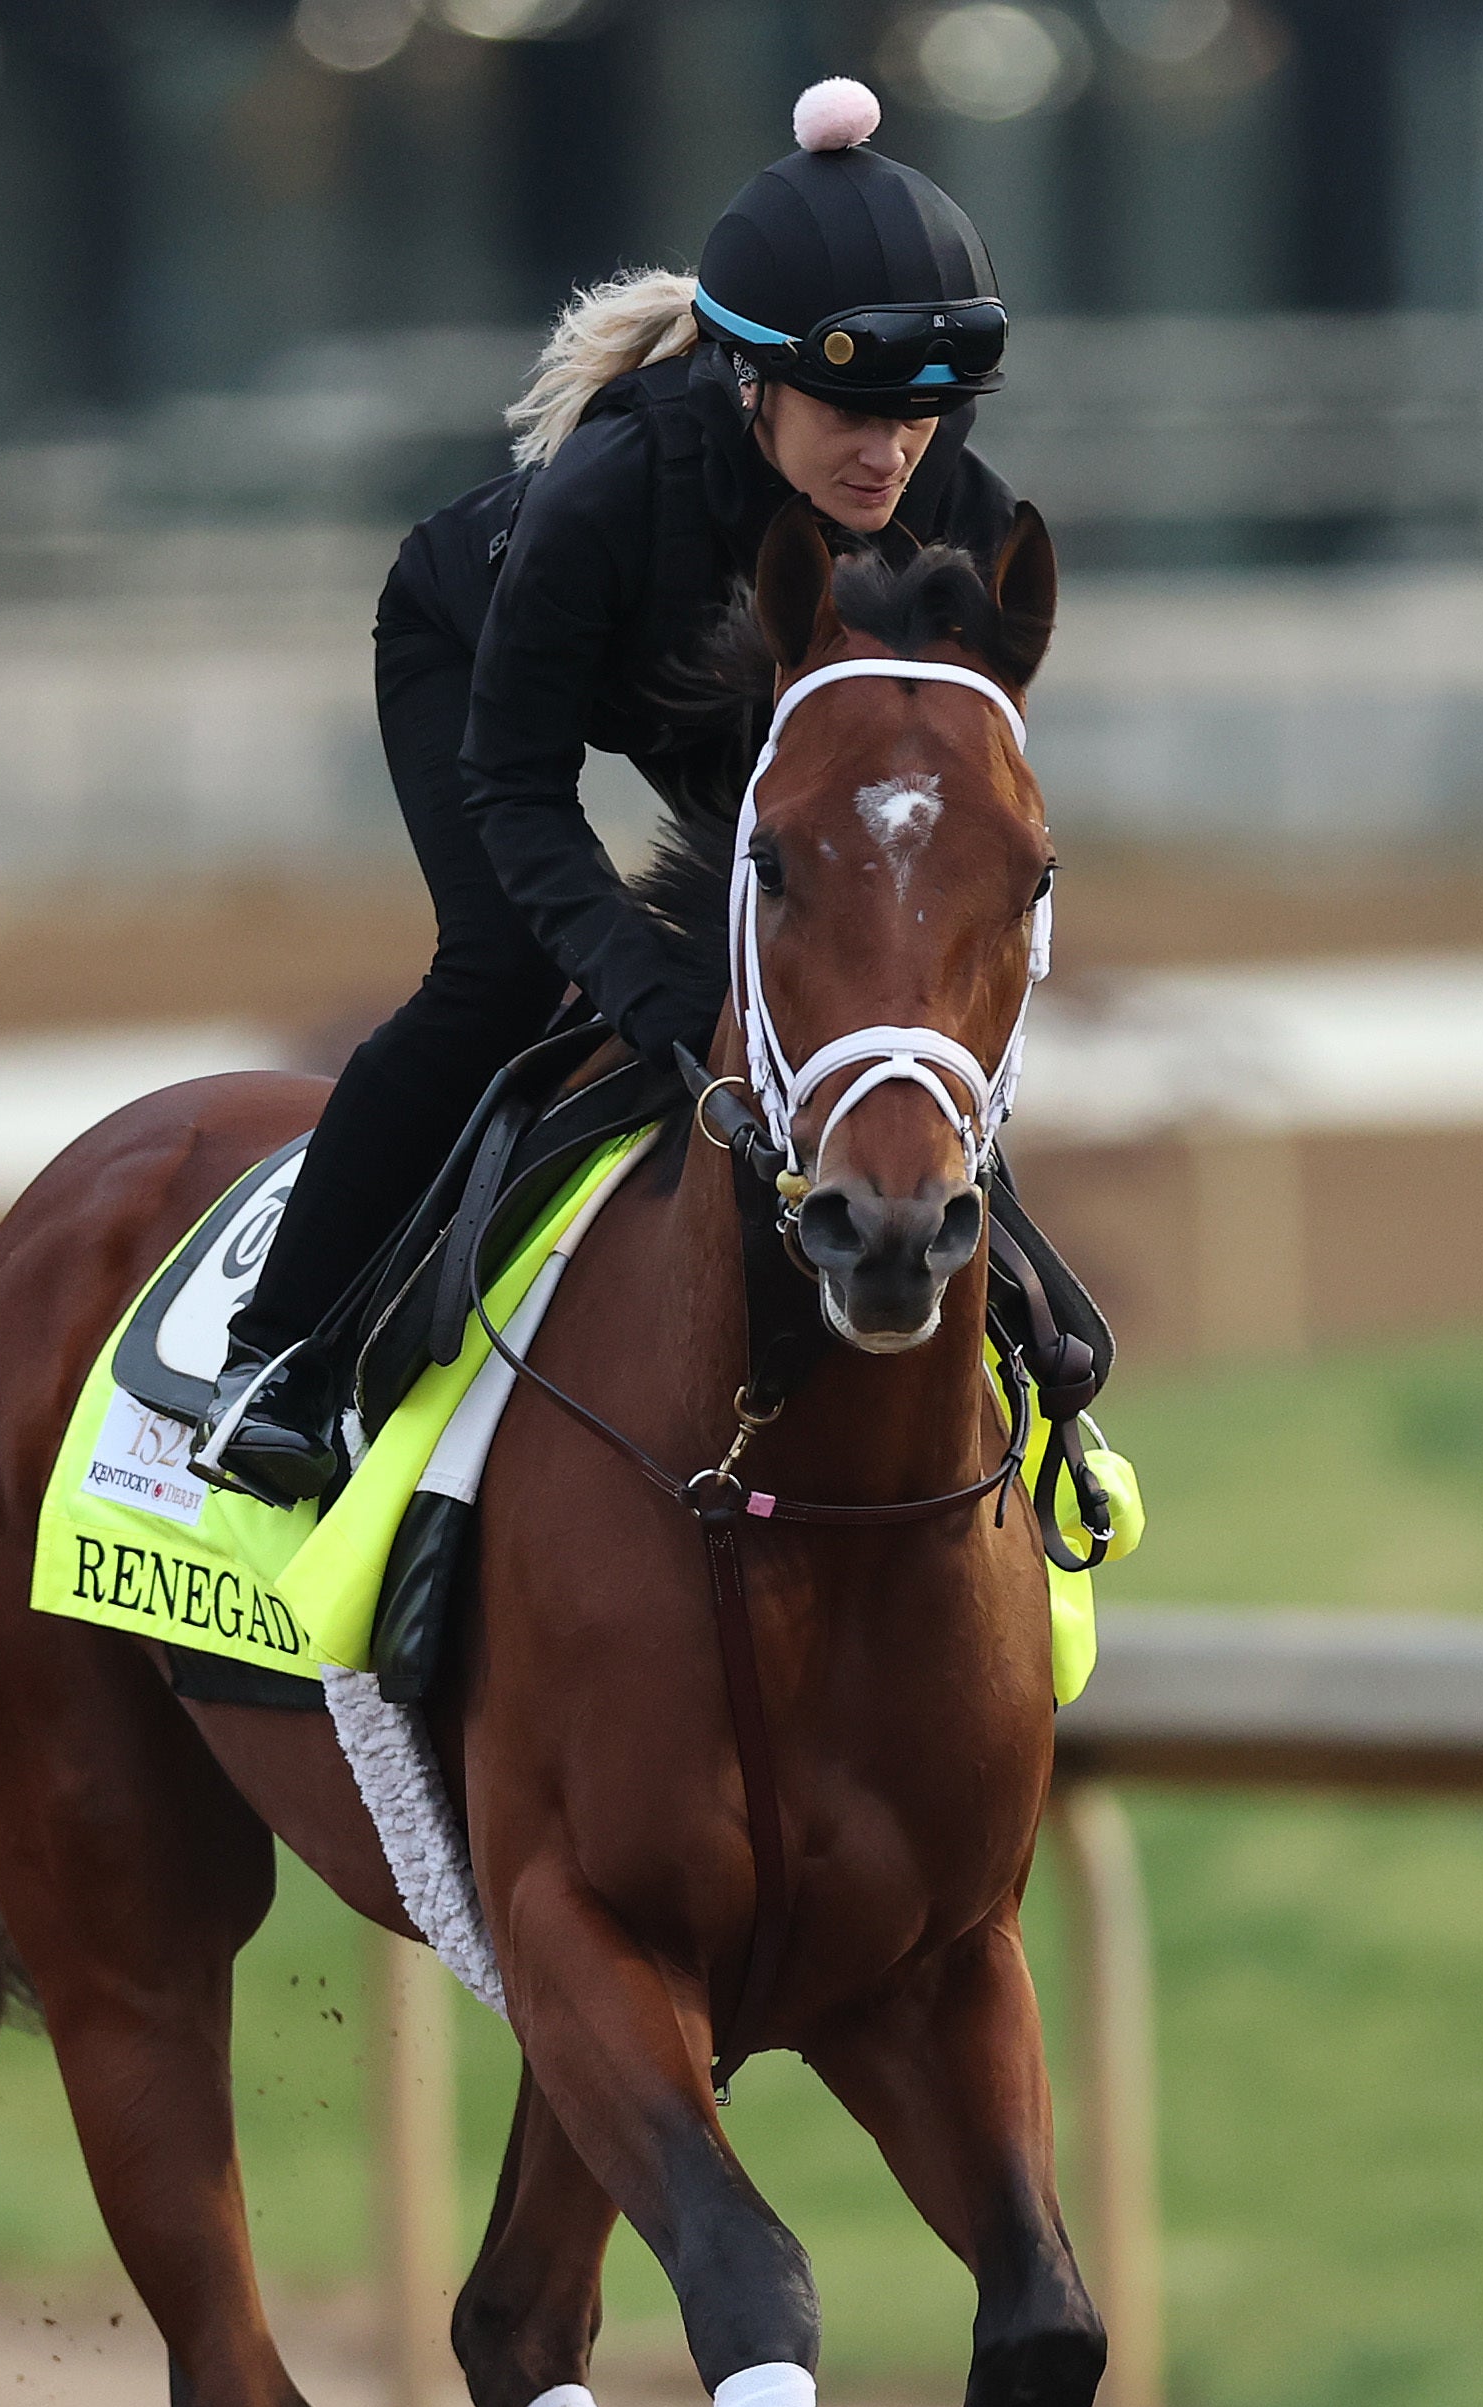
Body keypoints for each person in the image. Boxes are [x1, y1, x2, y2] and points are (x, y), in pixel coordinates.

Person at [196, 76, 1022, 1506]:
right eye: (849, 406)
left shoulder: (959, 512)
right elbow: (513, 789)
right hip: (481, 657)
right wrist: (636, 986)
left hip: (727, 689)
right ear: (752, 379)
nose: (889, 452)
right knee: (504, 967)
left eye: (924, 411)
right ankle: (274, 1357)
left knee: (871, 981)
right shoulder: (608, 490)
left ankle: (1020, 1329)